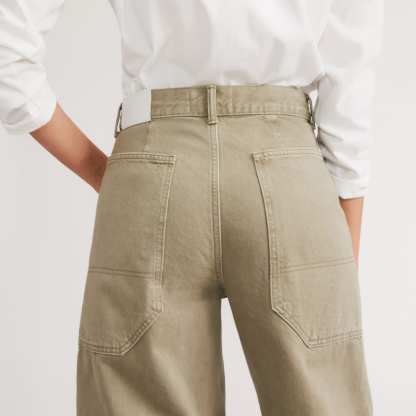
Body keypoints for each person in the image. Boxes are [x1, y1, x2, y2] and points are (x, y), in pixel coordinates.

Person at [0, 1, 383, 415]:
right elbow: (351, 71)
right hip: (289, 168)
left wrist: (104, 175)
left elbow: (8, 52)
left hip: (152, 165)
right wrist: (343, 255)